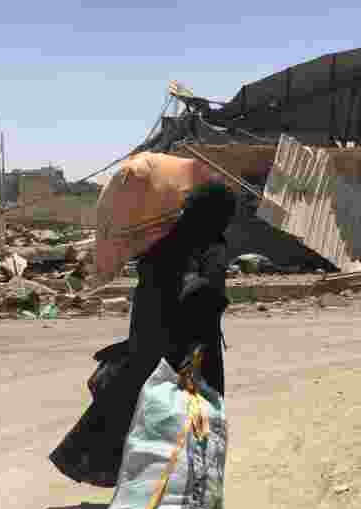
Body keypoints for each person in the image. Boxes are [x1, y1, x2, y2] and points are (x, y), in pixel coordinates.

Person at [49, 181, 237, 488]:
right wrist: (206, 294)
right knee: (174, 422)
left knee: (144, 416)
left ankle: (159, 490)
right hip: (185, 348)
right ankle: (164, 493)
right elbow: (193, 294)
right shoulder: (204, 244)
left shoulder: (170, 238)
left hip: (158, 342)